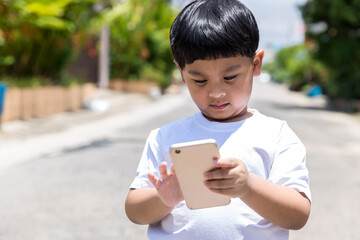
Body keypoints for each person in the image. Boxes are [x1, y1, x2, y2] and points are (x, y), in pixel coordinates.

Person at [125, 0, 311, 239]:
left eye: (230, 76)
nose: (216, 92)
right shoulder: (165, 137)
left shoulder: (276, 135)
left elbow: (298, 215)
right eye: (200, 81)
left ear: (255, 64)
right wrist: (163, 198)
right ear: (182, 73)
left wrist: (249, 186)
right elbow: (134, 211)